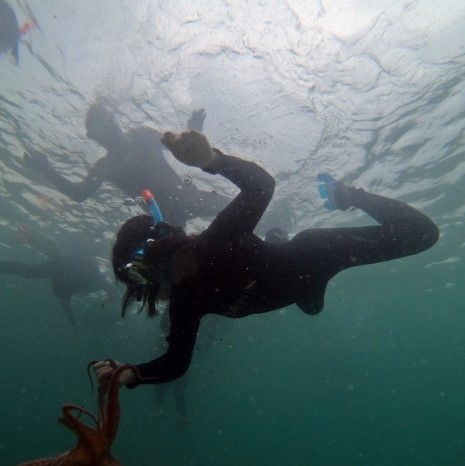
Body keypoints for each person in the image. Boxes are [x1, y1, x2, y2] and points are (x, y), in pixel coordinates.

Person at [93, 130, 439, 387]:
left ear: (168, 244)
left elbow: (262, 185)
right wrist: (131, 373)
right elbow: (175, 363)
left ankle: (346, 195)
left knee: (422, 235)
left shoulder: (220, 237)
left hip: (312, 257)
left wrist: (212, 161)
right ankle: (277, 240)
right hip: (301, 292)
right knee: (312, 308)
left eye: (150, 272)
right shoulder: (186, 302)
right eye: (143, 282)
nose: (158, 287)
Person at [23, 104, 230, 228]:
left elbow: (178, 146)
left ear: (114, 119)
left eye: (104, 123)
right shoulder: (106, 166)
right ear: (93, 137)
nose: (105, 132)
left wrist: (193, 132)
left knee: (240, 210)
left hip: (188, 198)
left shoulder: (144, 135)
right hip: (165, 219)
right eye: (97, 130)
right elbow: (80, 194)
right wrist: (48, 171)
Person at [0, 225, 114, 326]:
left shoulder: (84, 283)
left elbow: (66, 300)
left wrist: (72, 320)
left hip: (62, 268)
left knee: (31, 270)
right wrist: (73, 320)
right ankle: (33, 236)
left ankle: (32, 236)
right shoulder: (93, 280)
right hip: (64, 268)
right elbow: (66, 300)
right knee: (31, 270)